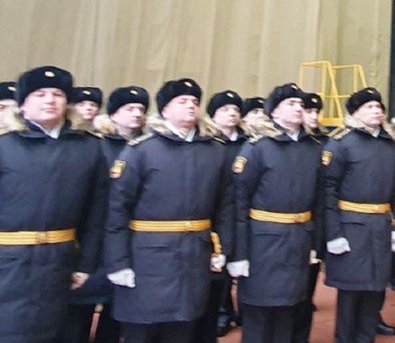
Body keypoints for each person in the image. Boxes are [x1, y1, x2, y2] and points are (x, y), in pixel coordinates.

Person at [105, 78, 234, 343]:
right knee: (142, 329)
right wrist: (118, 263)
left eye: (195, 102)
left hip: (194, 255)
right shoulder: (141, 151)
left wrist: (223, 249)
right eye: (182, 101)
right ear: (164, 110)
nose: (191, 106)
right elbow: (117, 211)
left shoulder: (214, 151)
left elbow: (224, 207)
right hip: (147, 258)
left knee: (183, 326)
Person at [0, 66, 107, 343]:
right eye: (40, 94)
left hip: (59, 261)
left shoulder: (88, 148)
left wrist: (85, 264)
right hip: (7, 259)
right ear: (23, 103)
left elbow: (96, 213)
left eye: (57, 93)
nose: (50, 100)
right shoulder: (5, 146)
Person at [228, 83, 323, 343]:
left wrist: (316, 243)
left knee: (290, 307)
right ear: (274, 112)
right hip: (263, 241)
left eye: (301, 105)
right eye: (290, 104)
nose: (298, 109)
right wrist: (239, 253)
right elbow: (238, 202)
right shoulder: (257, 148)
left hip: (299, 238)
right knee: (260, 310)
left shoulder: (313, 147)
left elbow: (319, 200)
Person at [64, 86, 149, 343]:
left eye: (141, 109)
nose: (136, 114)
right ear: (113, 114)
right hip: (94, 236)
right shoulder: (96, 146)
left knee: (116, 311)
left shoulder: (147, 147)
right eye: (129, 109)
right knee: (79, 309)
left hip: (127, 239)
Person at [324, 87, 395, 343]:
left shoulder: (390, 145)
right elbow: (328, 190)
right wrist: (334, 234)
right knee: (351, 294)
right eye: (369, 107)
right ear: (355, 112)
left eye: (379, 107)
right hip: (351, 227)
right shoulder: (341, 143)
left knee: (374, 291)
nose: (376, 111)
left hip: (380, 226)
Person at [195, 90, 246, 342]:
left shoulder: (247, 143)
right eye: (225, 109)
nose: (232, 114)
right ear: (213, 115)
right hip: (214, 211)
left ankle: (235, 309)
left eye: (235, 109)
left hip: (241, 209)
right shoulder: (208, 142)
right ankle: (222, 311)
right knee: (216, 267)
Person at [291, 92, 327, 343]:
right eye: (308, 110)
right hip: (281, 226)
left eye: (316, 112)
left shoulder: (322, 144)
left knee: (307, 288)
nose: (312, 116)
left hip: (312, 225)